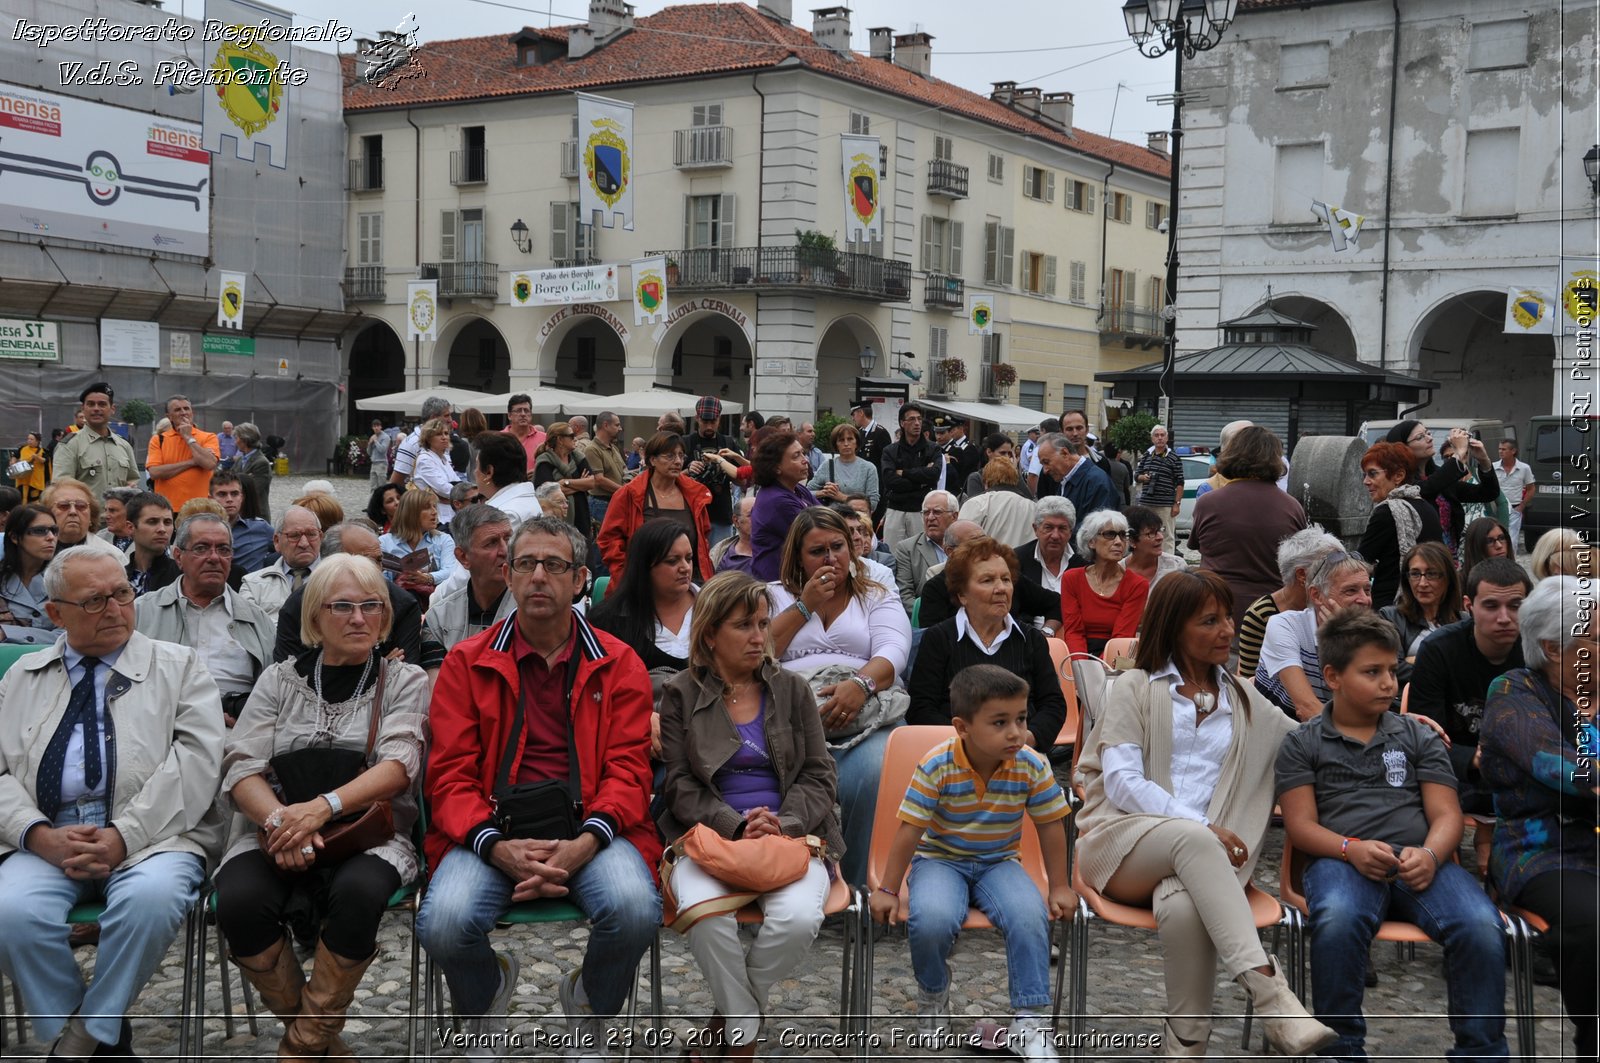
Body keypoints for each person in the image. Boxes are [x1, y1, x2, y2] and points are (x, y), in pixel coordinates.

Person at [418, 517, 661, 1053]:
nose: (537, 577)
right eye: (526, 564)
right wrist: (496, 847)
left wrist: (583, 845)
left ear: (579, 580)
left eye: (553, 565)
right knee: (444, 924)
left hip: (592, 829)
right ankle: (484, 998)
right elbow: (449, 776)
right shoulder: (466, 662)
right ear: (507, 576)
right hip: (489, 830)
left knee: (636, 910)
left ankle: (590, 1004)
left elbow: (629, 771)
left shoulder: (619, 664)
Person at [1074, 571, 1337, 1056]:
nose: (1228, 630)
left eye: (1228, 618)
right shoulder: (1134, 686)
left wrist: (1398, 721)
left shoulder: (1244, 699)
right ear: (1175, 627)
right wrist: (1199, 826)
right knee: (1194, 840)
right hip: (1120, 843)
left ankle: (1185, 1048)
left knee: (1181, 906)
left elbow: (1318, 730)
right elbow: (1121, 782)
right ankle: (1271, 997)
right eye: (1210, 621)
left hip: (1203, 865)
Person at [0, 537, 223, 1061]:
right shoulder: (21, 676)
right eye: (94, 601)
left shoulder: (180, 666)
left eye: (122, 594)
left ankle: (81, 1040)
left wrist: (126, 836)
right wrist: (36, 833)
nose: (115, 610)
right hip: (49, 835)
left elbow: (197, 763)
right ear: (55, 612)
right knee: (9, 910)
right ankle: (98, 1037)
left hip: (155, 836)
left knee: (150, 901)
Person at [214, 554, 427, 1061]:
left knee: (360, 891)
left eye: (372, 606)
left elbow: (400, 764)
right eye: (344, 606)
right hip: (278, 827)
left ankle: (299, 1047)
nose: (359, 618)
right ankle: (321, 1043)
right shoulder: (278, 680)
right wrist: (279, 823)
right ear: (314, 617)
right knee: (239, 899)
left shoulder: (403, 680)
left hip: (366, 834)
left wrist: (321, 809)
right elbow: (242, 765)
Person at [1277, 608, 1509, 1062]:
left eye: (1391, 671)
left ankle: (1482, 1052)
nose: (1389, 683)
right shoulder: (1303, 742)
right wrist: (1350, 849)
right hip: (1343, 862)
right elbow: (1301, 826)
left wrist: (1430, 852)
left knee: (1481, 925)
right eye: (1372, 672)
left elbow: (1447, 813)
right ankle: (1341, 1051)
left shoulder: (1417, 736)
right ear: (1333, 676)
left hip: (1421, 863)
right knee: (1339, 922)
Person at [655, 570, 838, 1057]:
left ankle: (730, 1020)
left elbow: (820, 775)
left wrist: (783, 823)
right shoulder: (681, 693)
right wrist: (733, 824)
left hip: (791, 834)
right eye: (744, 625)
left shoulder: (793, 690)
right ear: (710, 633)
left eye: (762, 623)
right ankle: (745, 1032)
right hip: (710, 835)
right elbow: (680, 783)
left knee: (798, 919)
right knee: (702, 912)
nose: (760, 636)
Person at [870, 664, 1073, 1061]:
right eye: (1000, 722)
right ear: (962, 727)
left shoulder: (1031, 763)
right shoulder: (937, 764)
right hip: (940, 861)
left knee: (1030, 916)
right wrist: (889, 888)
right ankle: (933, 993)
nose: (1015, 732)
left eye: (1021, 718)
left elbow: (1051, 826)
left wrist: (1061, 885)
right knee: (930, 919)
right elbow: (910, 830)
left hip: (1000, 862)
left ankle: (1029, 1021)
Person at [1479, 576, 1599, 1063]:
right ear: (1555, 648)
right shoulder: (1512, 692)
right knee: (1593, 924)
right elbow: (1563, 769)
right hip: (1543, 852)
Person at [766, 507, 911, 884]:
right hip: (792, 715)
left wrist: (859, 685)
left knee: (875, 772)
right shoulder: (775, 596)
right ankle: (786, 875)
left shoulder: (875, 594)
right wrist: (805, 605)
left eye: (838, 547)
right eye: (818, 551)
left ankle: (864, 882)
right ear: (798, 556)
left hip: (864, 708)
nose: (831, 558)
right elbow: (761, 652)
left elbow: (894, 649)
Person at [1409, 556, 1530, 871]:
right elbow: (1425, 734)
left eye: (1516, 606)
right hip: (1454, 764)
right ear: (1469, 605)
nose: (1504, 617)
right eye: (1491, 606)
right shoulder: (1439, 650)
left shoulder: (1539, 650)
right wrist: (1475, 758)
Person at [907, 539, 1067, 750]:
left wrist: (1026, 738)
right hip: (956, 754)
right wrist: (972, 744)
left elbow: (1053, 704)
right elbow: (921, 708)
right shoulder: (939, 638)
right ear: (962, 594)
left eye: (1006, 579)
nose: (1001, 588)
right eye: (987, 580)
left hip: (1020, 751)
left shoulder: (1031, 639)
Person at [135, 513, 277, 727]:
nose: (214, 557)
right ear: (178, 556)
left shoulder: (258, 622)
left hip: (234, 731)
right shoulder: (142, 612)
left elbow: (272, 695)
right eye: (201, 548)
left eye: (223, 549)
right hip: (156, 726)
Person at [1189, 426, 1307, 625]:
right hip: (1272, 612)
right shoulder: (1292, 507)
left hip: (1216, 608)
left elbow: (1198, 546)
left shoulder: (1208, 502)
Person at [273, 522, 424, 667]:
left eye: (378, 560)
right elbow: (287, 672)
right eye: (364, 562)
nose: (375, 570)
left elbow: (403, 672)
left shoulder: (403, 604)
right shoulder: (298, 604)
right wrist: (381, 665)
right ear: (331, 563)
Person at [1255, 551, 1373, 721]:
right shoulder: (1285, 625)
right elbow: (1306, 708)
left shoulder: (1371, 635)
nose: (1364, 600)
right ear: (1316, 595)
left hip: (1329, 733)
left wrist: (1348, 639)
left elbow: (1368, 708)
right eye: (1351, 591)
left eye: (1367, 590)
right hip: (1277, 734)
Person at [600, 432, 714, 591]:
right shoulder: (629, 494)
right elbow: (609, 540)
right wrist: (626, 576)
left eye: (681, 455)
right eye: (670, 456)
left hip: (688, 586)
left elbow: (703, 538)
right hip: (641, 588)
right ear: (652, 460)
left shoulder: (695, 494)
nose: (678, 461)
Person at [588, 520, 699, 673]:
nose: (685, 568)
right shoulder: (608, 621)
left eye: (689, 558)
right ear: (644, 566)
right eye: (672, 561)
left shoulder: (717, 607)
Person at [915, 522, 1061, 637]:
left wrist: (1047, 632)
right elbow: (932, 639)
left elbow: (1056, 603)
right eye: (974, 545)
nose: (1000, 589)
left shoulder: (1010, 578)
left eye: (986, 542)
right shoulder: (936, 588)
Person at [1237, 527, 1346, 680]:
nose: (1341, 574)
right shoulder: (1262, 615)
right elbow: (1249, 683)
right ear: (1302, 575)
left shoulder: (1342, 604)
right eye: (1331, 568)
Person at [1385, 420, 1500, 556]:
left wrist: (1484, 461)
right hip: (1420, 559)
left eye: (1427, 433)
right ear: (1403, 448)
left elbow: (1487, 493)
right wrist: (1459, 453)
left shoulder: (1440, 478)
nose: (1430, 438)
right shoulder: (1401, 484)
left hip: (1449, 558)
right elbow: (1427, 488)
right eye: (1420, 437)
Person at [1356, 441, 1444, 609]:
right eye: (1364, 475)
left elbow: (1360, 561)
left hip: (1392, 605)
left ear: (1398, 476)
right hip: (1428, 602)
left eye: (1372, 474)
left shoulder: (1387, 511)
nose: (1366, 481)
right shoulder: (1426, 507)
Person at [421, 504, 515, 653]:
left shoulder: (535, 608)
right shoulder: (439, 619)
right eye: (491, 543)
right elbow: (436, 674)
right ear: (463, 557)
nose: (505, 551)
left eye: (508, 539)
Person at [1059, 508, 1149, 657]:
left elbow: (1122, 636)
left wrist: (1098, 669)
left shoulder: (1137, 585)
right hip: (1078, 654)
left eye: (1122, 535)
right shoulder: (1071, 579)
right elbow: (1073, 631)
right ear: (1091, 542)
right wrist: (1082, 666)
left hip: (1118, 655)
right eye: (1110, 535)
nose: (1119, 542)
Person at [748, 430, 821, 582]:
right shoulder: (776, 501)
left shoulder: (797, 489)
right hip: (776, 586)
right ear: (776, 468)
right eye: (796, 456)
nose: (805, 460)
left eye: (803, 453)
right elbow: (820, 533)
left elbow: (827, 516)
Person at [50, 382, 140, 501]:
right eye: (91, 404)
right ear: (83, 409)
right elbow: (61, 486)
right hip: (87, 518)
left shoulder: (124, 445)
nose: (96, 409)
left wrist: (131, 486)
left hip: (119, 518)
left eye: (102, 404)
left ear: (112, 409)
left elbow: (132, 479)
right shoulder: (70, 444)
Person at [1377, 541, 1464, 663]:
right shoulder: (1391, 617)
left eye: (1431, 574)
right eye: (1415, 574)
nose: (1422, 583)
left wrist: (1416, 660)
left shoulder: (1463, 620)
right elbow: (1394, 667)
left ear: (1448, 578)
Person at [879, 403, 943, 553]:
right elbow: (890, 481)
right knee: (892, 554)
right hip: (896, 509)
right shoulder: (890, 451)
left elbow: (934, 475)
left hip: (920, 509)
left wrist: (905, 473)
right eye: (912, 419)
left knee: (922, 554)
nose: (917, 423)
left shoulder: (933, 448)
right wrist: (921, 481)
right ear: (902, 423)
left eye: (919, 419)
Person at [241, 506, 324, 621]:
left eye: (311, 534)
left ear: (320, 537)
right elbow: (250, 631)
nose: (304, 543)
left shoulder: (339, 579)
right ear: (276, 541)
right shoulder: (253, 584)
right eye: (294, 536)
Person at [681, 397, 745, 547]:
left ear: (719, 419)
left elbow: (742, 481)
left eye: (713, 422)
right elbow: (670, 478)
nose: (709, 426)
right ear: (697, 418)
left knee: (718, 563)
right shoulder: (685, 442)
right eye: (705, 422)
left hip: (721, 515)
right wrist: (688, 470)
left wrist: (724, 465)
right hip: (692, 514)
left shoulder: (728, 443)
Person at [380, 488, 462, 596]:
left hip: (435, 600)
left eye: (434, 507)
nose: (434, 512)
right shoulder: (385, 542)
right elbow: (381, 581)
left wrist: (428, 578)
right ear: (411, 513)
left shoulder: (443, 539)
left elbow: (451, 572)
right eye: (427, 508)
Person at [145, 394, 221, 511]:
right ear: (169, 416)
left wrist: (188, 437)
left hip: (199, 508)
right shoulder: (159, 439)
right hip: (167, 509)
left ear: (192, 412)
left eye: (186, 408)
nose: (183, 412)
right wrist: (192, 462)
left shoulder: (208, 437)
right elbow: (155, 472)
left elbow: (210, 464)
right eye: (177, 410)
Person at [890, 489, 958, 611]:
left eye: (937, 512)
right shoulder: (907, 548)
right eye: (926, 512)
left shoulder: (967, 545)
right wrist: (929, 614)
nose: (930, 517)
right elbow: (904, 595)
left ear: (954, 516)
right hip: (925, 619)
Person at [0, 504, 59, 645]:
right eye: (39, 531)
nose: (51, 537)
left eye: (54, 530)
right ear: (15, 537)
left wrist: (8, 633)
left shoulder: (65, 578)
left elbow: (74, 633)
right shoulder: (3, 577)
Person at [532, 422, 597, 541]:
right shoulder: (544, 461)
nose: (575, 438)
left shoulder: (578, 457)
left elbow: (592, 483)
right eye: (571, 436)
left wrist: (565, 482)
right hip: (557, 521)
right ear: (560, 440)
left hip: (582, 516)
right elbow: (546, 492)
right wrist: (580, 483)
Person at [1035, 431, 1117, 522]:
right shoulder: (1065, 479)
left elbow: (1097, 528)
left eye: (1046, 462)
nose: (1045, 470)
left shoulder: (1096, 481)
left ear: (1065, 453)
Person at [1015, 496, 1084, 599]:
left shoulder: (1085, 561)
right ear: (1036, 529)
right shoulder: (1017, 559)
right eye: (1048, 528)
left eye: (1062, 528)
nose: (1055, 536)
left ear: (1070, 532)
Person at [958, 459, 1036, 548]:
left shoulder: (976, 503)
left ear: (985, 480)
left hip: (986, 559)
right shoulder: (1033, 507)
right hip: (1023, 560)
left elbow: (962, 540)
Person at [211, 470, 275, 574]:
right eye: (222, 494)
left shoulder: (260, 528)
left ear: (242, 497)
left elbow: (286, 546)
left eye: (234, 494)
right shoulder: (199, 530)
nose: (229, 499)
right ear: (211, 498)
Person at [807, 422, 881, 511]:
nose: (846, 444)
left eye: (850, 439)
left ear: (856, 442)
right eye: (841, 440)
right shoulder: (827, 466)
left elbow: (873, 503)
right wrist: (824, 492)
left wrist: (842, 497)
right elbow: (806, 492)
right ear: (836, 445)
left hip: (858, 521)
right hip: (833, 520)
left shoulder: (869, 468)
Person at [472, 430, 539, 527]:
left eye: (477, 465)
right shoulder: (522, 500)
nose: (475, 471)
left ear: (489, 472)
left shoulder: (505, 514)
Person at [1134, 424, 1185, 548]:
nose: (1160, 438)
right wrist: (1143, 477)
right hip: (1147, 503)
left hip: (1165, 504)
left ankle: (1168, 565)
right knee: (1146, 534)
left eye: (1162, 435)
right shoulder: (1146, 455)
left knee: (1167, 535)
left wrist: (1176, 504)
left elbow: (1180, 482)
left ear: (1167, 438)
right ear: (1152, 439)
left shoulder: (1174, 457)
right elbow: (1137, 475)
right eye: (1156, 435)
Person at [123, 491, 179, 597]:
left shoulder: (183, 577)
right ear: (130, 527)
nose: (162, 529)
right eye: (152, 522)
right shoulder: (118, 577)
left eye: (167, 522)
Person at [1122, 505, 1188, 591]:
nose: (1160, 537)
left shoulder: (1176, 566)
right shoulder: (1117, 571)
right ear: (1131, 541)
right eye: (1151, 533)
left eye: (1160, 530)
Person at [411, 418, 463, 526]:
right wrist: (467, 495)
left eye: (446, 433)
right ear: (429, 438)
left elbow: (457, 483)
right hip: (437, 519)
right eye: (439, 434)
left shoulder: (443, 459)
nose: (444, 437)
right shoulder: (425, 459)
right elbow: (444, 489)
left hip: (451, 515)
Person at [390, 397, 453, 486]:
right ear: (433, 418)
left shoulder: (442, 439)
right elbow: (396, 481)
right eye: (446, 415)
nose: (450, 419)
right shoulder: (412, 442)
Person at [581, 411, 626, 529]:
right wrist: (625, 491)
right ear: (605, 425)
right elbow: (599, 479)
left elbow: (624, 470)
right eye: (617, 425)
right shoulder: (592, 449)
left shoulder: (614, 448)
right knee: (600, 542)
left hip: (614, 501)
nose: (620, 428)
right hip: (601, 503)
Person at [1490, 439, 1534, 554]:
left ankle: (1510, 564)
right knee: (1494, 536)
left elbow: (1531, 488)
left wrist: (1522, 506)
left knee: (1512, 540)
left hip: (1514, 509)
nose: (1500, 451)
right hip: (1496, 508)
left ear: (1513, 451)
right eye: (1499, 449)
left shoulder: (1524, 468)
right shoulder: (1492, 467)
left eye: (1504, 449)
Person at [234, 423, 274, 521]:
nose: (235, 442)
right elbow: (228, 481)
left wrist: (238, 480)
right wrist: (246, 478)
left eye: (237, 438)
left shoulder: (262, 463)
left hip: (256, 517)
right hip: (240, 516)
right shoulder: (240, 460)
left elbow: (253, 491)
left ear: (245, 439)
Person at [43, 478, 98, 549]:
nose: (73, 511)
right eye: (63, 505)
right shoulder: (31, 552)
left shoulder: (109, 555)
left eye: (81, 506)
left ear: (91, 516)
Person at [712, 494, 758, 575]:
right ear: (736, 521)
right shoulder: (721, 555)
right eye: (751, 515)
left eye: (761, 513)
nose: (758, 518)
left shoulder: (775, 550)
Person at [963, 433, 1019, 499]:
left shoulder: (1012, 474)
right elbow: (976, 504)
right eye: (1002, 453)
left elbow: (1028, 499)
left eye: (1009, 454)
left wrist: (1014, 471)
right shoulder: (976, 477)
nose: (1006, 457)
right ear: (989, 452)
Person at [503, 394, 546, 471]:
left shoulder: (544, 439)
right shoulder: (497, 438)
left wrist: (538, 472)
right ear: (509, 415)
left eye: (526, 410)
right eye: (518, 410)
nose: (523, 414)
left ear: (531, 414)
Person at [97, 486, 137, 551]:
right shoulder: (100, 538)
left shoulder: (147, 539)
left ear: (130, 511)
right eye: (105, 510)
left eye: (112, 510)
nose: (106, 516)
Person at [13, 431, 47, 503]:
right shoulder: (22, 448)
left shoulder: (42, 451)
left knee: (34, 500)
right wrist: (13, 462)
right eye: (28, 439)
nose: (29, 441)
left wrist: (37, 457)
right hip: (22, 479)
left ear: (37, 441)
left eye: (31, 439)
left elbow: (45, 460)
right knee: (21, 499)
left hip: (34, 480)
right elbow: (15, 456)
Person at [367, 419, 391, 488]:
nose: (376, 428)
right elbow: (369, 453)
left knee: (381, 487)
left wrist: (375, 441)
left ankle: (382, 499)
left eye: (378, 426)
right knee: (373, 487)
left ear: (381, 427)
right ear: (372, 428)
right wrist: (370, 444)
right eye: (374, 426)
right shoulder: (373, 436)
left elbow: (382, 450)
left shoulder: (386, 437)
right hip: (373, 463)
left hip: (382, 463)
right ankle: (373, 498)